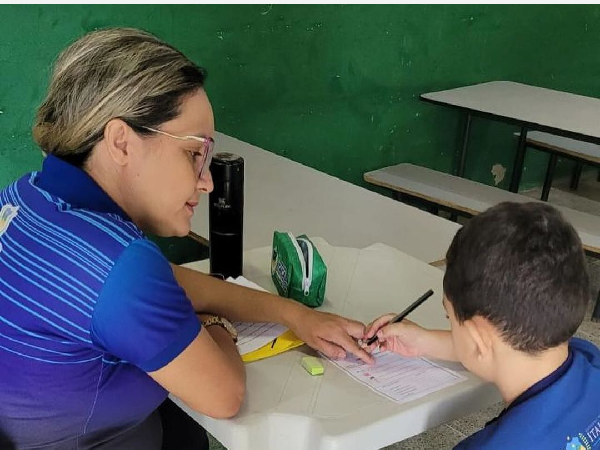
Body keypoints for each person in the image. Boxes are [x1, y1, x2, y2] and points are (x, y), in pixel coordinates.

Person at [0, 27, 373, 450]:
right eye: (194, 153)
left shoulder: (24, 197)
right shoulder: (120, 265)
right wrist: (214, 324)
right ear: (122, 142)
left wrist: (292, 314)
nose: (208, 182)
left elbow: (164, 278)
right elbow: (224, 395)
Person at [365, 202, 600, 449]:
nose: (450, 327)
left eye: (450, 318)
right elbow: (498, 347)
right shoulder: (587, 357)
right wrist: (424, 342)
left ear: (479, 341)